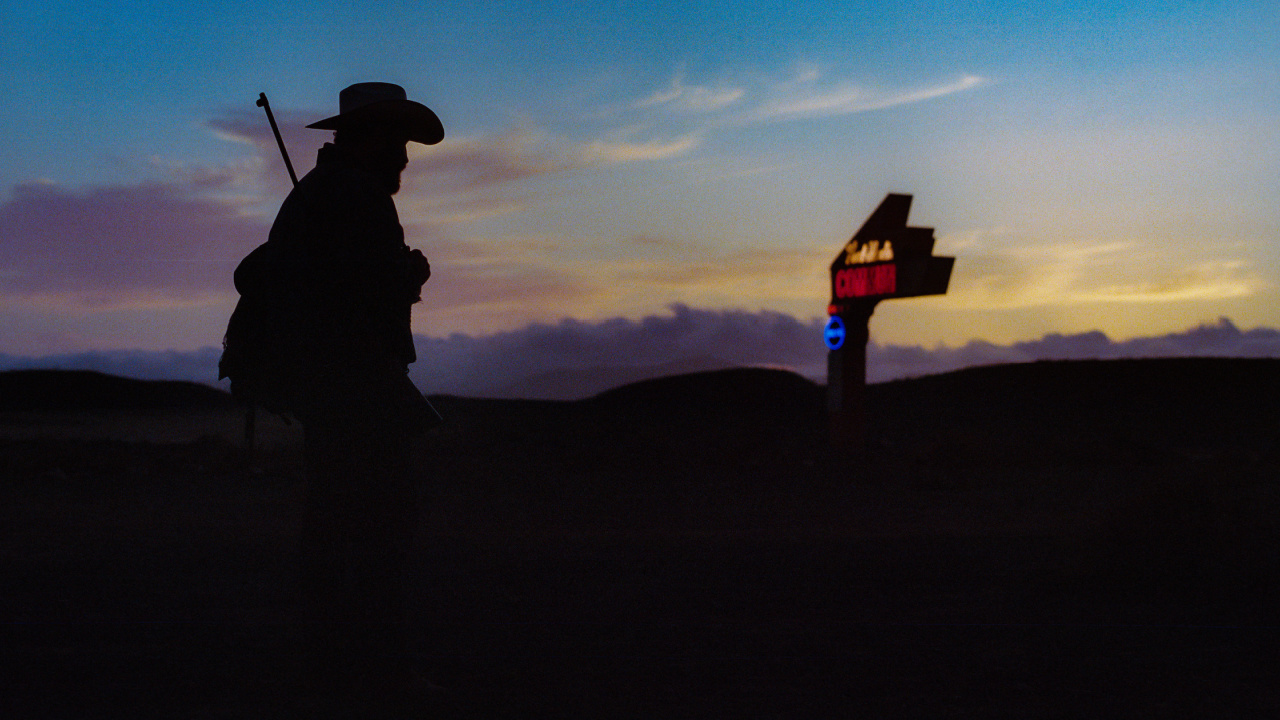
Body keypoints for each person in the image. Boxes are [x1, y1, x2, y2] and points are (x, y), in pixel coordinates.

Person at [227, 82, 444, 710]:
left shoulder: (319, 195)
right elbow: (361, 295)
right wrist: (410, 276)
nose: (404, 157)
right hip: (357, 394)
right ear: (369, 138)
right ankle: (378, 672)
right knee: (380, 534)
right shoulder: (358, 198)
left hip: (334, 392)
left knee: (333, 529)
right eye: (397, 143)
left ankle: (330, 670)